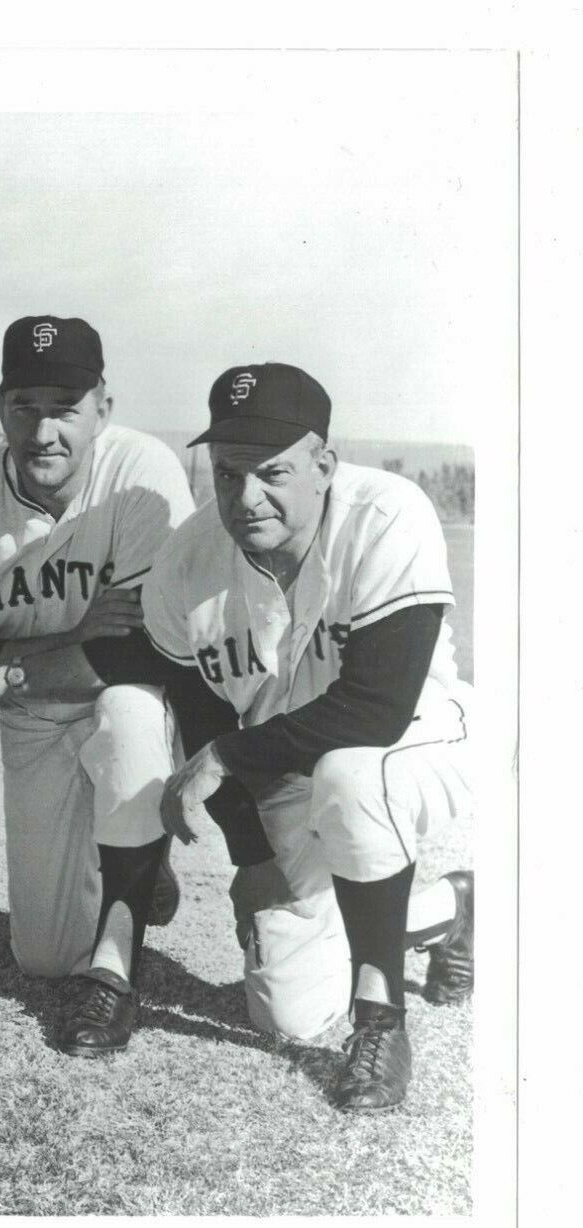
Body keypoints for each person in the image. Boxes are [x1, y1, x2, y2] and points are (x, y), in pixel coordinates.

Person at [143, 362, 473, 1112]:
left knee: (352, 775)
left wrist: (228, 756)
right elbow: (202, 726)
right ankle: (449, 908)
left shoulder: (386, 514)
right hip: (285, 762)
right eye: (228, 474)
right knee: (288, 1015)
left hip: (415, 738)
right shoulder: (185, 563)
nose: (246, 495)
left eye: (272, 472)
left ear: (324, 464)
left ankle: (381, 1015)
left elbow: (376, 709)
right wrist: (253, 858)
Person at [0, 314, 196, 1056]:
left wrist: (6, 664)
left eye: (65, 409)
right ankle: (139, 854)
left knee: (130, 712)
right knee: (42, 959)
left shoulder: (142, 473)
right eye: (26, 407)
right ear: (0, 407)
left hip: (116, 699)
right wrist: (73, 638)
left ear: (102, 409)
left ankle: (113, 968)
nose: (44, 430)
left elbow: (143, 653)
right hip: (35, 713)